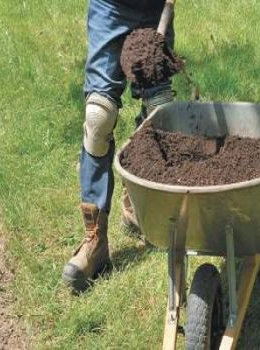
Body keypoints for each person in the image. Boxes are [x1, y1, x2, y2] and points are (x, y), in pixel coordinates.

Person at [62, 0, 176, 292]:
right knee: (98, 117)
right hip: (111, 7)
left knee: (158, 113)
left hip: (155, 7)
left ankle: (137, 202)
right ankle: (95, 241)